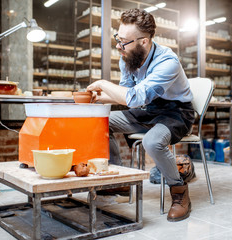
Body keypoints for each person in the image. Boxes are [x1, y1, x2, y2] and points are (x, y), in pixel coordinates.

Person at [87, 8, 194, 222]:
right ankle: (118, 183)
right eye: (118, 38)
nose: (118, 45)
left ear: (144, 41)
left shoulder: (167, 62)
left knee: (152, 142)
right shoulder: (128, 57)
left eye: (124, 41)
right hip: (147, 110)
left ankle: (180, 191)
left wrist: (102, 83)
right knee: (99, 122)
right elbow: (127, 95)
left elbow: (135, 98)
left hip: (176, 113)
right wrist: (98, 97)